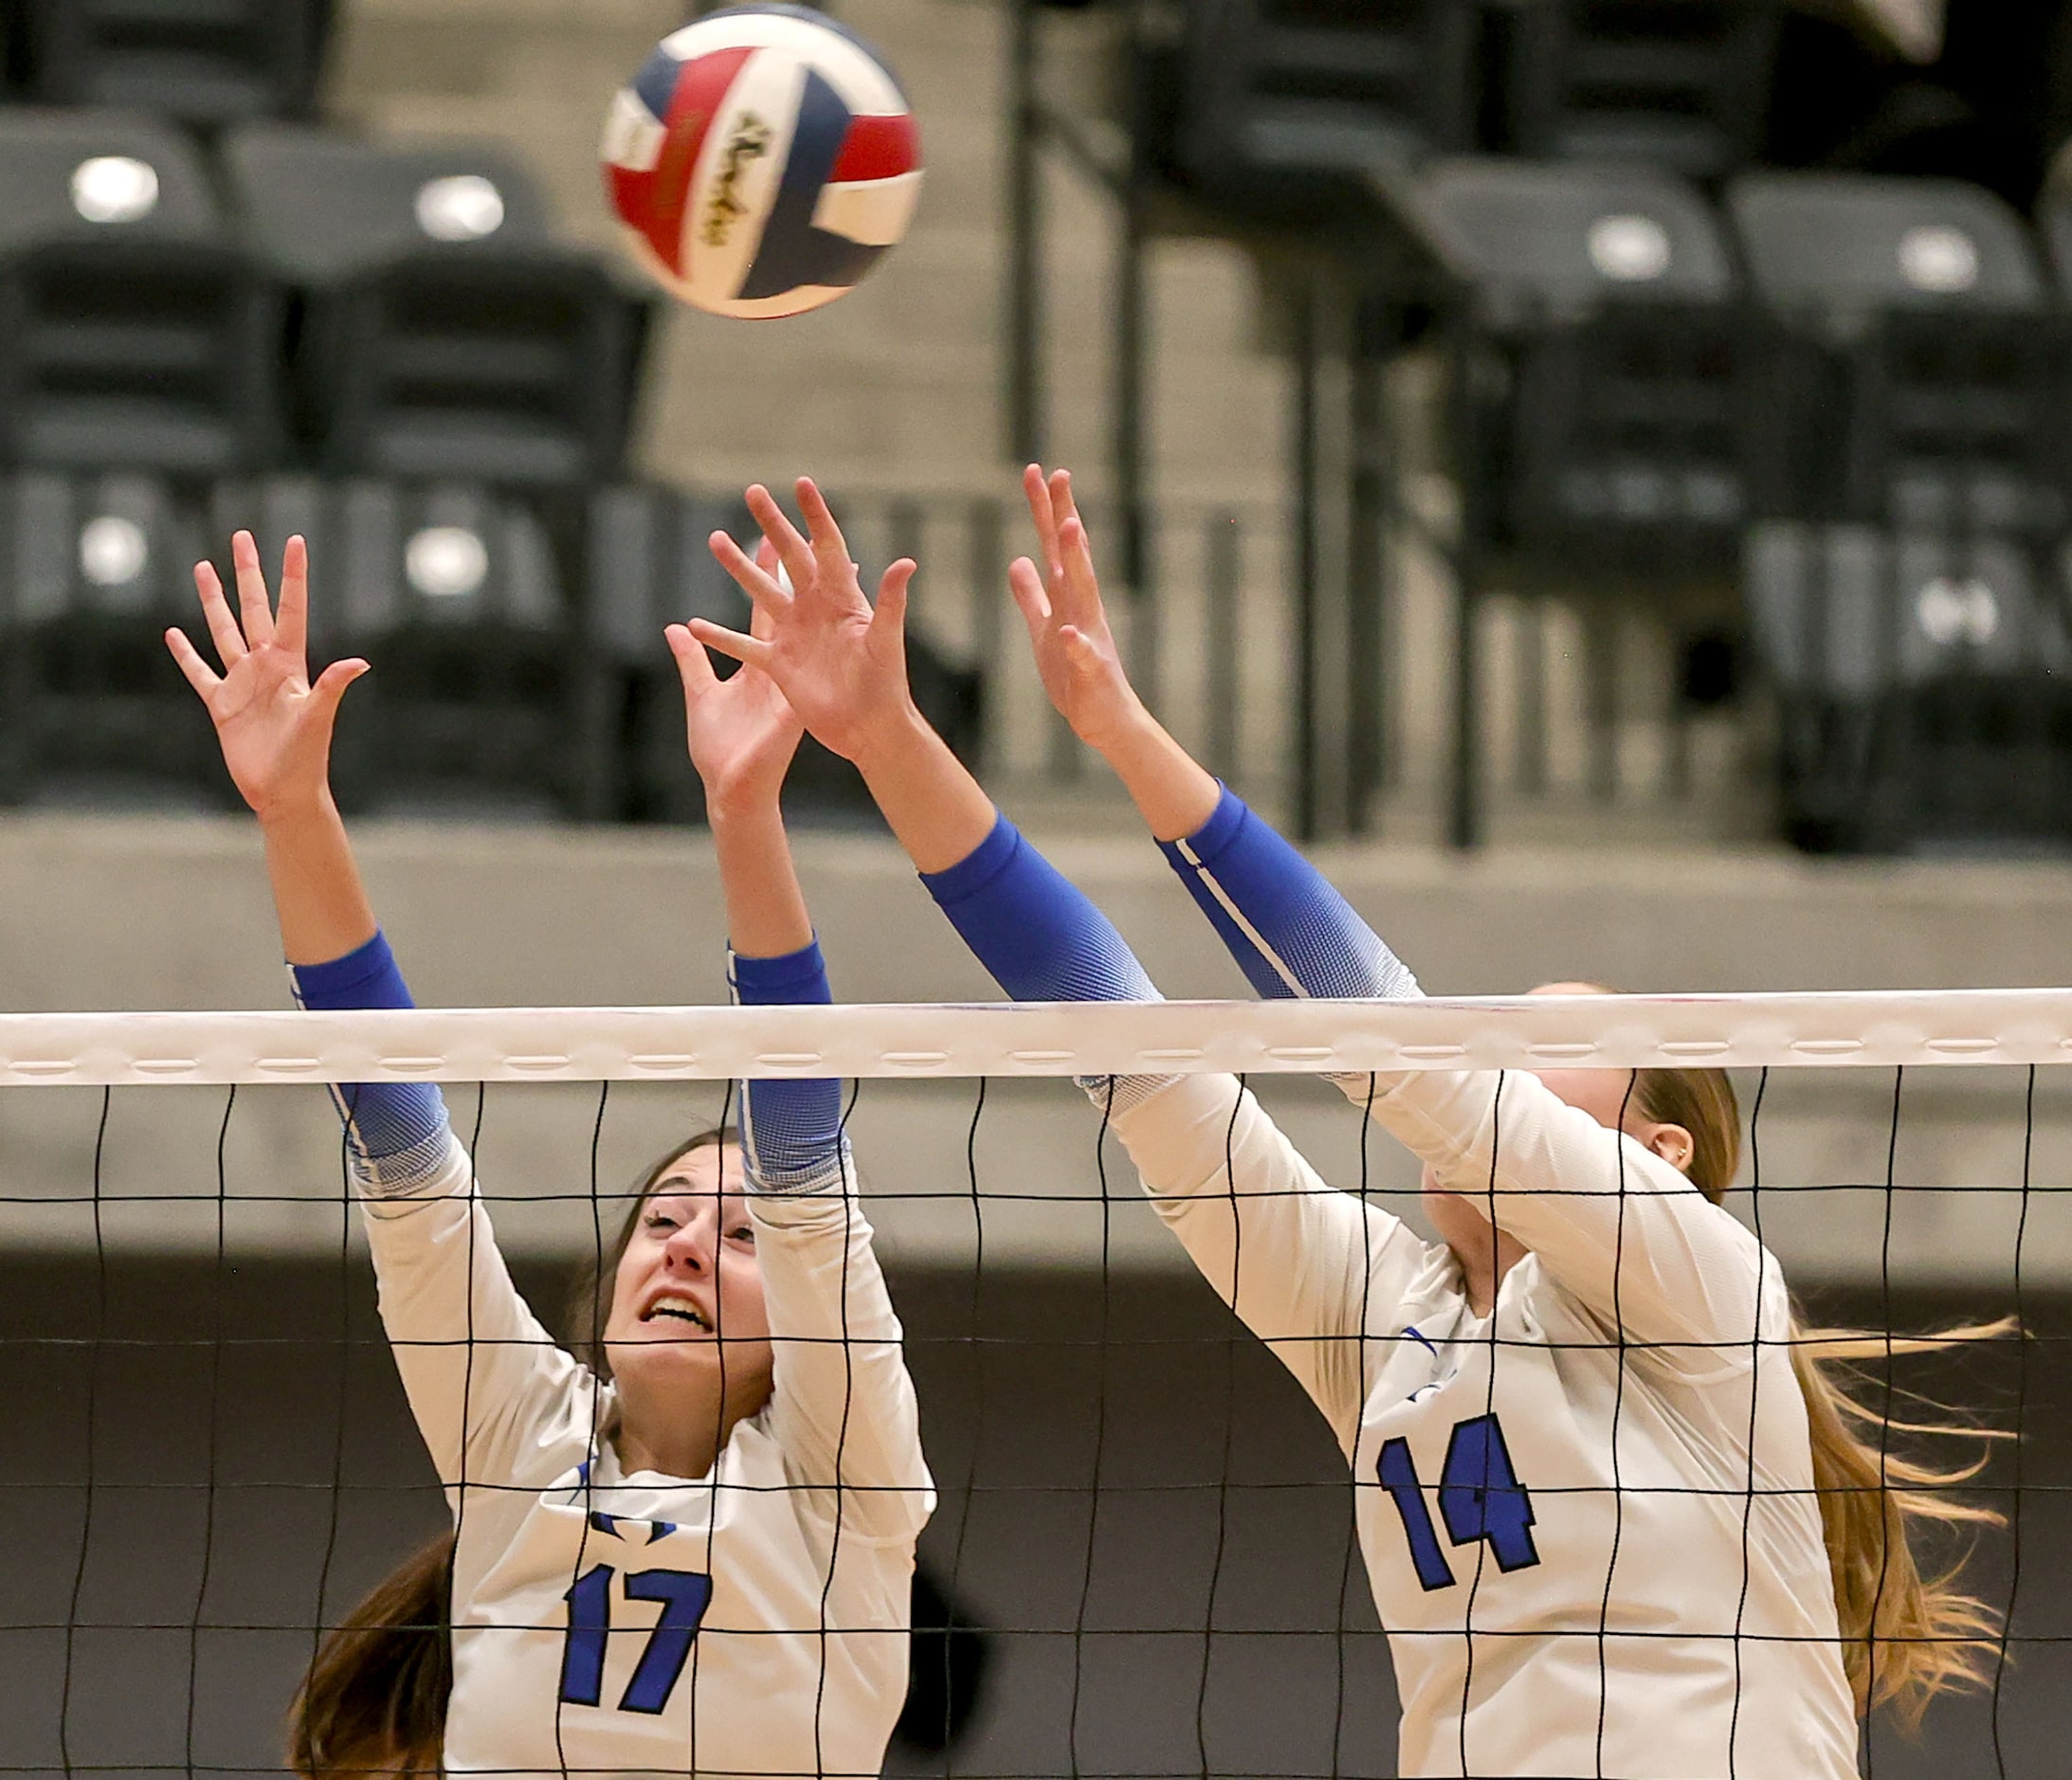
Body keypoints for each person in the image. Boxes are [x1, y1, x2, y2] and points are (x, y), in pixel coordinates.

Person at [685, 473, 2005, 1780]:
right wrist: (889, 743)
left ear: (1656, 1157)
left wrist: (1132, 739)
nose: (1487, 1053)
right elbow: (1130, 1056)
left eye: (1538, 1048)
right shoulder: (1385, 1319)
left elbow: (1384, 1035)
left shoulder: (1700, 1287)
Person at [166, 532, 934, 1780]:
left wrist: (742, 807)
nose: (685, 1240)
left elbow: (803, 1143)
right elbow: (405, 1156)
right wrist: (293, 809)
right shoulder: (521, 1441)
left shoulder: (838, 1475)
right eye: (666, 1216)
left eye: (737, 1236)